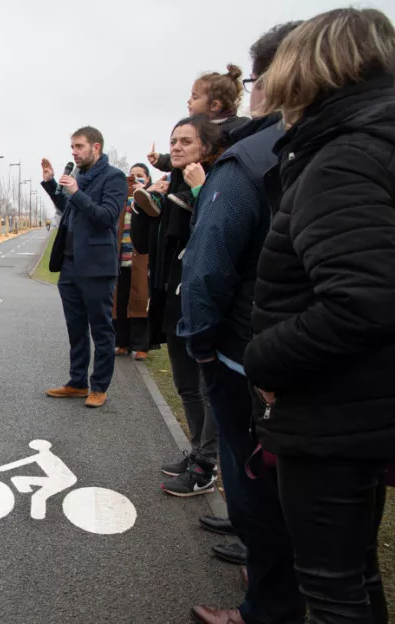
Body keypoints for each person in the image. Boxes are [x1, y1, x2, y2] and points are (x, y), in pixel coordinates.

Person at [244, 9, 395, 623]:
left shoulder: (344, 157)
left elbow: (362, 297)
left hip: (334, 411)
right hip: (363, 404)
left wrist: (265, 356)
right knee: (354, 571)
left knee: (331, 586)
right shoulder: (374, 139)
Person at [178, 21, 305, 624]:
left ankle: (267, 605)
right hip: (312, 353)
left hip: (247, 352)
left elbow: (206, 269)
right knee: (328, 522)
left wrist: (201, 343)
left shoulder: (250, 159)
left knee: (255, 477)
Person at [139, 116, 225, 496]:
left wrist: (199, 190)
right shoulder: (172, 182)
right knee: (185, 384)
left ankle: (209, 464)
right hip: (170, 292)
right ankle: (196, 453)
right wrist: (147, 203)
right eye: (173, 141)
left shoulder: (218, 181)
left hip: (199, 296)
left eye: (185, 141)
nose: (175, 147)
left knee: (208, 386)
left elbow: (216, 231)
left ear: (205, 148)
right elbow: (147, 242)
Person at [40, 127, 126, 408]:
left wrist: (75, 192)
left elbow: (106, 216)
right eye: (72, 147)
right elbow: (70, 209)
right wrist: (53, 184)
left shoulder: (113, 177)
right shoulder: (80, 177)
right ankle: (77, 382)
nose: (74, 152)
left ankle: (99, 386)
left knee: (101, 329)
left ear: (96, 147)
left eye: (79, 146)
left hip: (97, 268)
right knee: (75, 329)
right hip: (70, 266)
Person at [147, 65, 250, 174]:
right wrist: (161, 160)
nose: (189, 101)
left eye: (195, 97)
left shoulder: (233, 133)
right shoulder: (199, 128)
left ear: (214, 105)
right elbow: (183, 156)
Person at [113, 164, 152, 361]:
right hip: (120, 260)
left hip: (142, 261)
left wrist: (144, 195)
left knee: (140, 302)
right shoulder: (121, 199)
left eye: (141, 176)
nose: (136, 179)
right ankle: (122, 342)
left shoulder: (151, 198)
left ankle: (140, 345)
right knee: (119, 303)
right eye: (133, 175)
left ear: (147, 178)